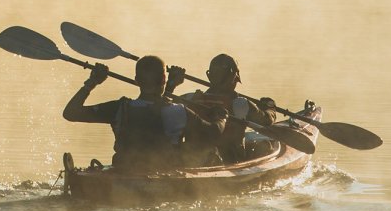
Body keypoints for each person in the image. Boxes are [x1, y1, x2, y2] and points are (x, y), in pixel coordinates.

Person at [62, 56, 222, 171]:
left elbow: (70, 113)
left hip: (124, 172)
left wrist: (92, 82)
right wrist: (222, 117)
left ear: (136, 81)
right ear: (163, 81)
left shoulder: (118, 108)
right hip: (165, 175)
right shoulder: (178, 111)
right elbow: (214, 133)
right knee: (210, 152)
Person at [168, 53, 276, 163]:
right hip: (231, 161)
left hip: (192, 160)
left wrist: (171, 85)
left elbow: (161, 105)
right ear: (234, 77)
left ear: (209, 76)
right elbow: (267, 120)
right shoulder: (240, 104)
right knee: (265, 146)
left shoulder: (189, 98)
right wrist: (270, 106)